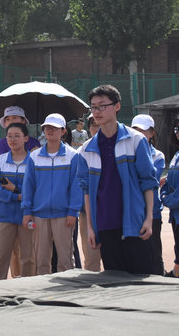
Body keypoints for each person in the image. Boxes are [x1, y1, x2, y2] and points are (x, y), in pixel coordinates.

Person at [75, 84, 158, 274]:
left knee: (143, 278)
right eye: (93, 107)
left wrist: (148, 219)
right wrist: (91, 228)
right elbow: (86, 191)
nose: (97, 111)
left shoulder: (136, 140)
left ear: (117, 106)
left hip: (135, 223)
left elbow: (148, 182)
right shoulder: (86, 150)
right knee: (115, 281)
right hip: (105, 225)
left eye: (102, 105)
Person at [21, 113, 81, 274]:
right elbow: (28, 186)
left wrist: (73, 211)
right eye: (47, 127)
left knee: (66, 261)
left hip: (64, 215)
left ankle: (66, 289)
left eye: (54, 127)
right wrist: (27, 211)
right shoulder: (34, 157)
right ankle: (43, 290)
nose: (50, 130)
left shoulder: (73, 155)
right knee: (41, 261)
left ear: (63, 131)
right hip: (39, 215)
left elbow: (76, 186)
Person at [0, 106, 40, 277]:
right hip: (5, 215)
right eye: (10, 136)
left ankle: (28, 288)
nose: (13, 139)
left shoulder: (34, 161)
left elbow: (35, 188)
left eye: (17, 136)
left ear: (26, 138)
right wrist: (18, 196)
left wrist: (17, 190)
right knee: (0, 256)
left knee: (29, 257)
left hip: (28, 215)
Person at [130, 114, 166, 275]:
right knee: (134, 254)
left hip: (152, 213)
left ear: (152, 133)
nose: (139, 134)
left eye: (143, 130)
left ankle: (159, 281)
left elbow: (150, 180)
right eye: (135, 130)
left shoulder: (157, 155)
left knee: (154, 253)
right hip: (132, 212)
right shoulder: (125, 153)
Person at [77, 116, 102, 272]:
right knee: (91, 258)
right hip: (88, 212)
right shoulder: (83, 151)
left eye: (99, 124)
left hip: (111, 211)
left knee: (115, 257)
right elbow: (80, 183)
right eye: (93, 125)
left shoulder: (118, 147)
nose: (96, 128)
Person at [160, 122, 179, 277]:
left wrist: (167, 200)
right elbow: (168, 182)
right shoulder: (176, 155)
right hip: (176, 214)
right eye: (177, 129)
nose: (178, 132)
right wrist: (164, 194)